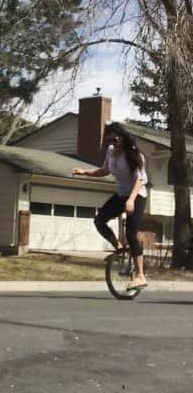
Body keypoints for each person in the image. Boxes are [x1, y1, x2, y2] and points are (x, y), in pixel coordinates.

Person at [72, 121, 148, 290]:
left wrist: (131, 200)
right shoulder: (111, 152)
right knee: (99, 220)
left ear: (122, 138)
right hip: (121, 194)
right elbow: (105, 170)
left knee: (130, 233)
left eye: (114, 140)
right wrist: (85, 172)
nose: (112, 143)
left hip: (137, 195)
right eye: (109, 140)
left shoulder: (134, 155)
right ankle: (119, 250)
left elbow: (139, 180)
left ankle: (140, 275)